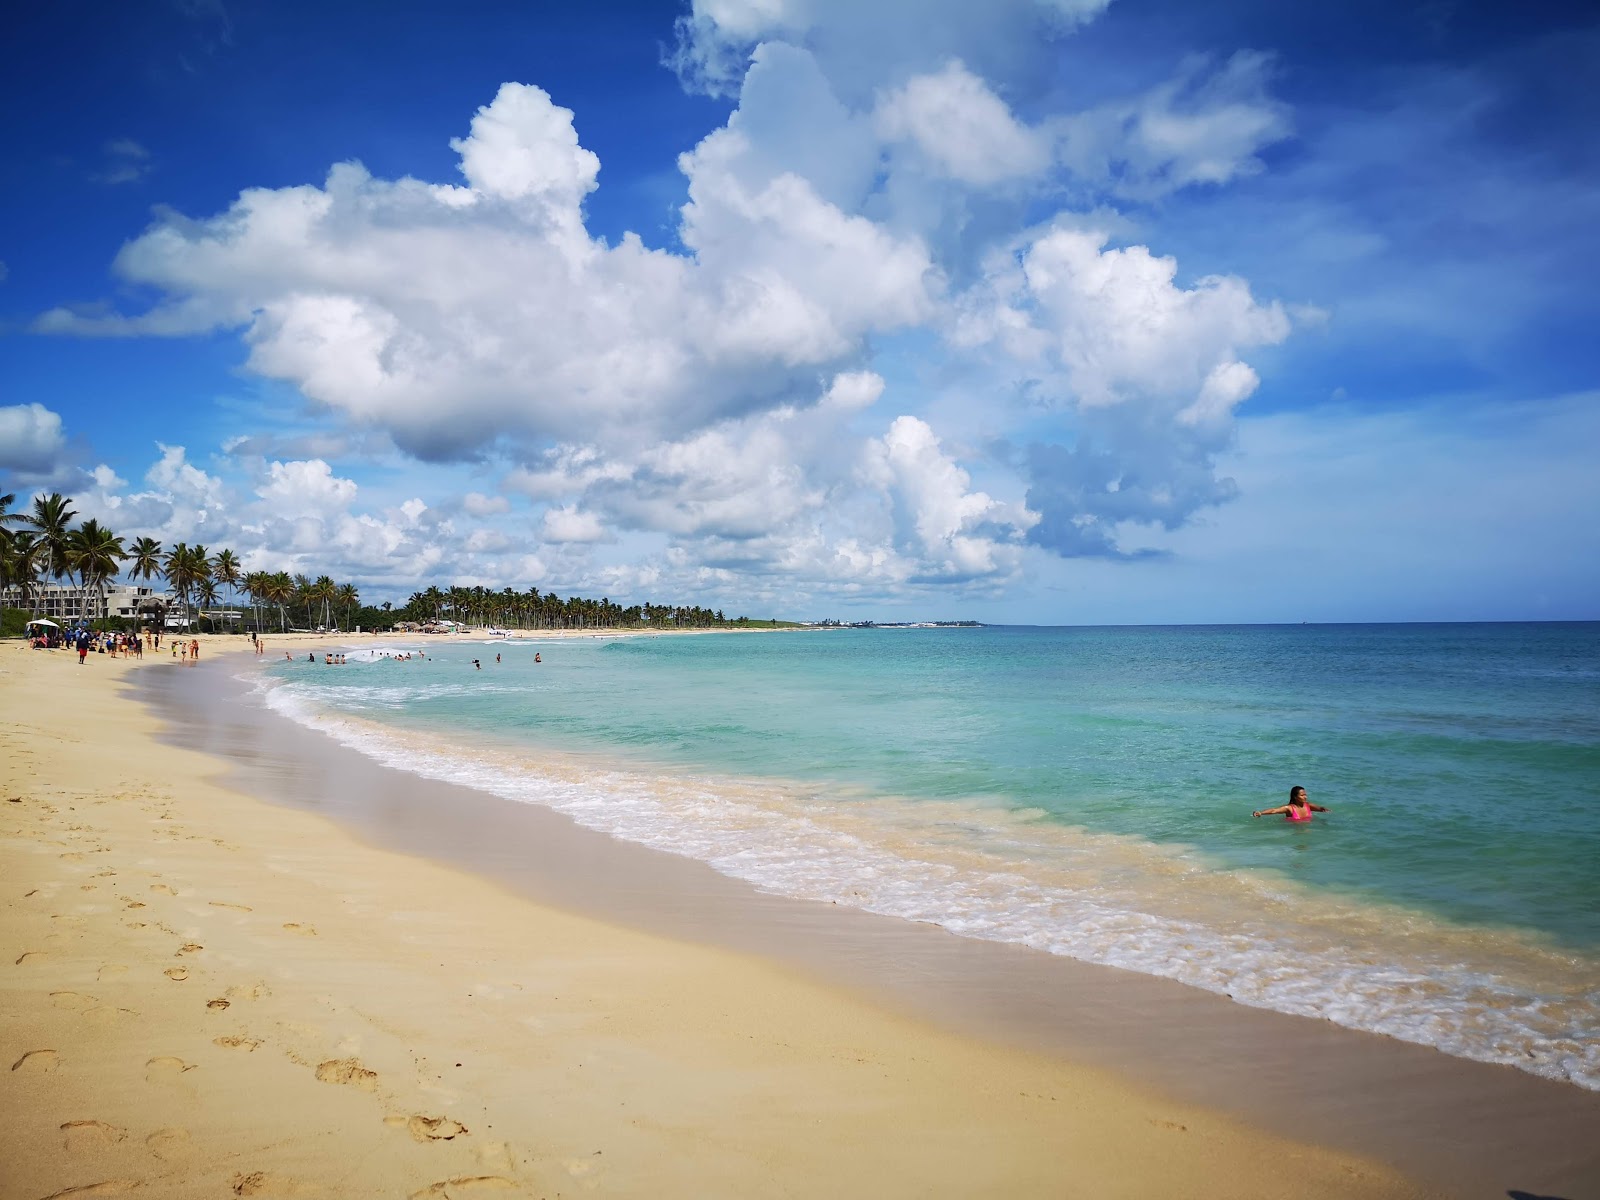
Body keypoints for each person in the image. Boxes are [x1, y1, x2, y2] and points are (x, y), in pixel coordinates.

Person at [1254, 786, 1328, 822]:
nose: (1305, 797)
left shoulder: (1308, 805)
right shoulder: (1289, 808)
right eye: (1302, 795)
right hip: (1293, 834)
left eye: (1305, 795)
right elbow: (1274, 810)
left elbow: (1321, 809)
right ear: (1295, 797)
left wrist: (1324, 809)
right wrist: (1261, 813)